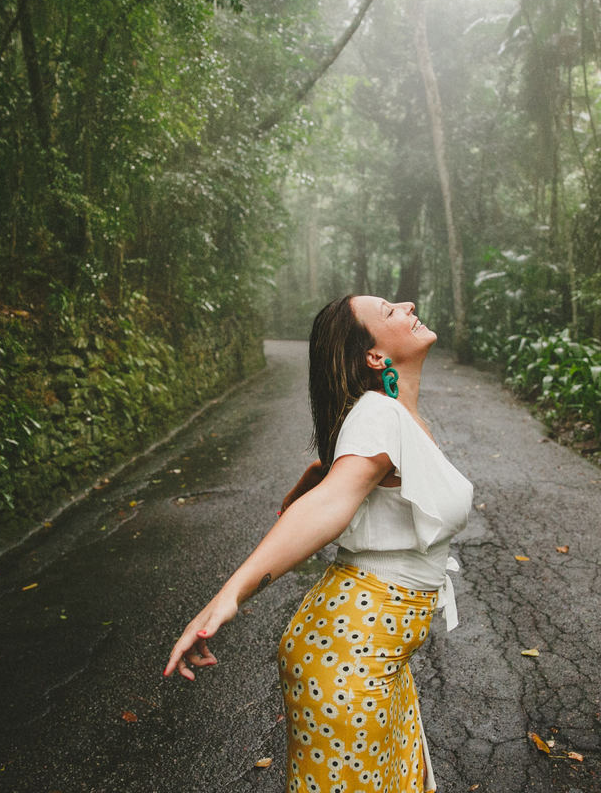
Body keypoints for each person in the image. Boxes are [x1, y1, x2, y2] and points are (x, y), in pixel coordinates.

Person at [164, 295, 473, 793]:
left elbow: (347, 477)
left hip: (377, 654)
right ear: (375, 356)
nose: (408, 304)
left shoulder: (394, 416)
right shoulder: (379, 415)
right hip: (350, 658)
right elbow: (333, 501)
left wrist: (320, 473)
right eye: (389, 310)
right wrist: (230, 594)